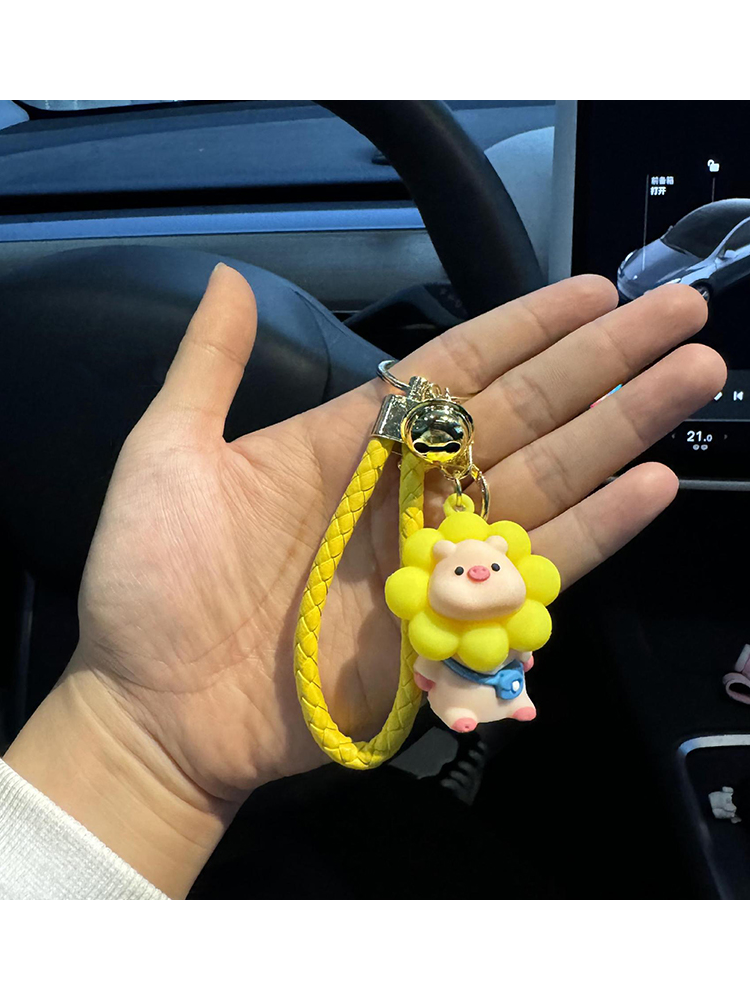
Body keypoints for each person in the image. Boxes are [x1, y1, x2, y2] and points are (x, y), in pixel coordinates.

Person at [0, 264, 725, 899]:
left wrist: (137, 744)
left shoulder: (483, 570)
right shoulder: (432, 585)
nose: (480, 572)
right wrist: (138, 732)